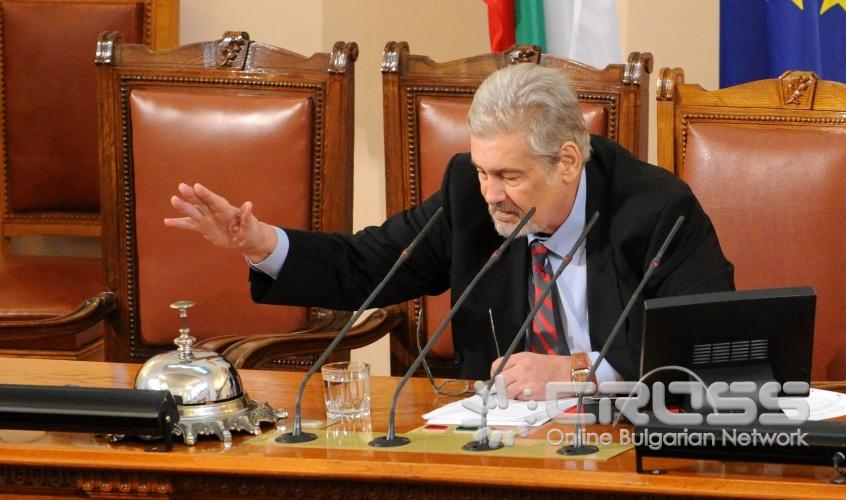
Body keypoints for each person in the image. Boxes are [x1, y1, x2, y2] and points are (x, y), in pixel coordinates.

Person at [165, 63, 734, 400]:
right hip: (496, 443)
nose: (491, 194)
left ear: (567, 161)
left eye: (509, 176)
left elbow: (707, 343)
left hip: (621, 441)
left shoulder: (655, 209)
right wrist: (263, 244)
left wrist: (578, 371)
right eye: (484, 171)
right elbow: (368, 263)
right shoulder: (471, 193)